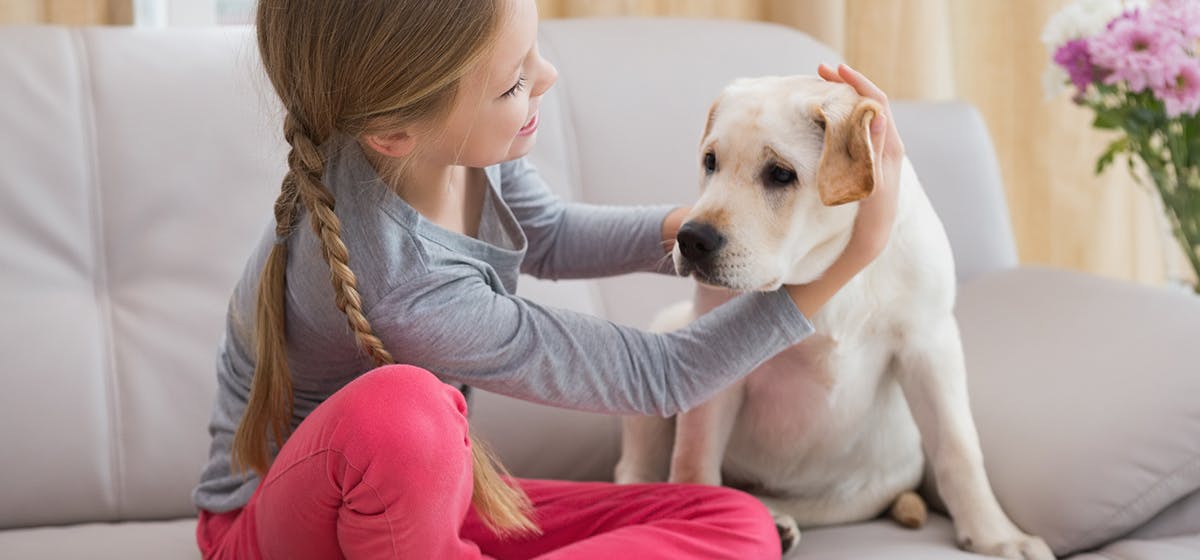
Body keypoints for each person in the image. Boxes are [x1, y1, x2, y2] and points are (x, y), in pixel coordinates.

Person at [190, 0, 907, 558]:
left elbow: (552, 234)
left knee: (735, 523)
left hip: (418, 511)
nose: (547, 76)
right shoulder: (402, 283)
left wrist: (708, 229)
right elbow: (663, 375)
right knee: (406, 412)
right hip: (275, 533)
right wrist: (851, 256)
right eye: (513, 81)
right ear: (393, 132)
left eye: (532, 53)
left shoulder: (448, 145)